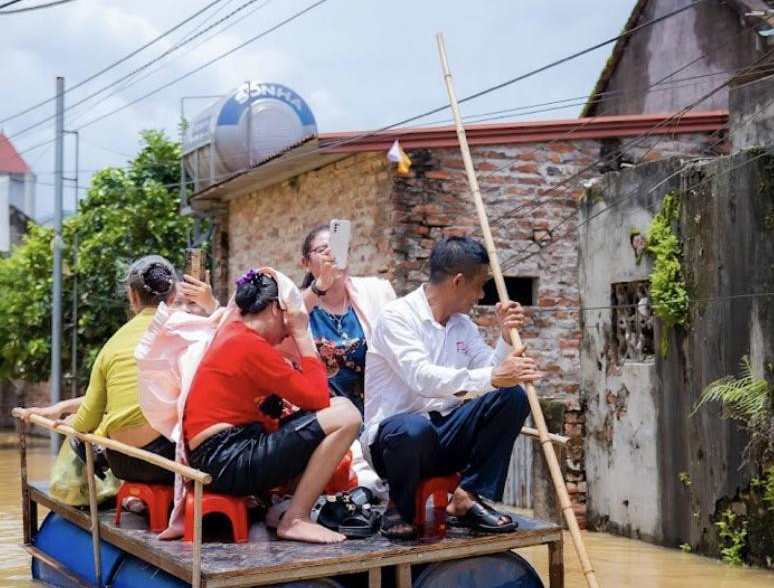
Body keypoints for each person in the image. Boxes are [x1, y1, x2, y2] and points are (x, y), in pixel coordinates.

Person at [364, 236, 541, 539]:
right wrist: (495, 376)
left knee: (511, 396)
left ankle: (466, 496)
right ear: (458, 281)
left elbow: (488, 373)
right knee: (412, 428)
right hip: (396, 443)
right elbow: (423, 378)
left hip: (445, 434)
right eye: (479, 285)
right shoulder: (397, 317)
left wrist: (504, 337)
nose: (481, 294)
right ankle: (399, 505)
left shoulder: (462, 325)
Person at [183, 269, 361, 544]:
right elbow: (318, 398)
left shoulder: (235, 333)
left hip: (222, 454)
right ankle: (296, 519)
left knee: (339, 406)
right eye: (289, 321)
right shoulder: (250, 345)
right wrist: (301, 336)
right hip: (227, 458)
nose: (287, 332)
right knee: (346, 414)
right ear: (276, 309)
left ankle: (292, 511)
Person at [23, 255, 217, 486]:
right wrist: (212, 304)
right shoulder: (190, 331)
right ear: (173, 295)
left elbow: (89, 418)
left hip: (120, 461)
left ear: (132, 296)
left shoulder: (112, 344)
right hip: (167, 460)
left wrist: (64, 412)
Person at [298, 224, 396, 495]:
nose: (332, 256)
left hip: (373, 410)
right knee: (360, 478)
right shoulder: (300, 304)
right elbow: (289, 321)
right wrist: (320, 286)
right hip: (325, 414)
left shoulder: (375, 294)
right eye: (322, 250)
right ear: (306, 263)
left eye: (338, 248)